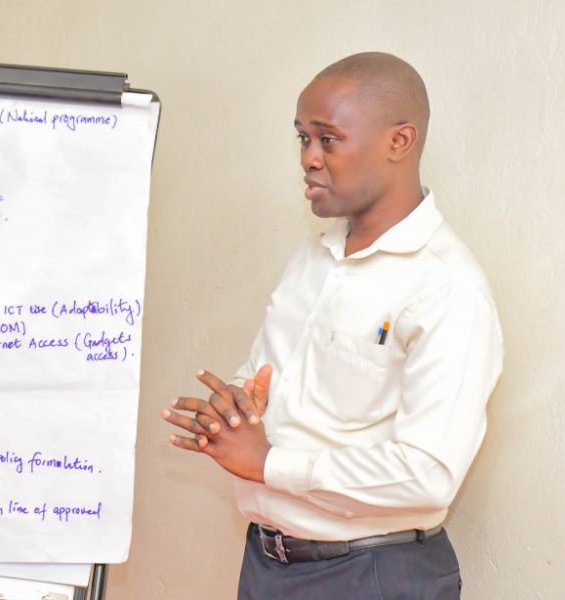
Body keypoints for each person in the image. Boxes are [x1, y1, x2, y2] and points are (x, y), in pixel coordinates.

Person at [161, 52, 504, 599]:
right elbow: (268, 380)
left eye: (328, 139)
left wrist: (268, 463)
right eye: (303, 138)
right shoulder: (314, 256)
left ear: (400, 141)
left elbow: (427, 475)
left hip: (370, 575)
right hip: (268, 563)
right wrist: (235, 409)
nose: (309, 159)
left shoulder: (446, 289)